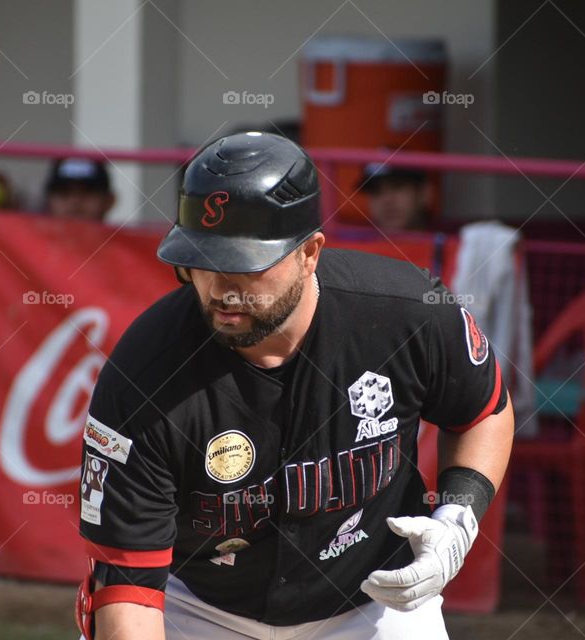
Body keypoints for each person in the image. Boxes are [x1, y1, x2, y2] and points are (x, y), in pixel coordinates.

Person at [75, 132, 514, 639]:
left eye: (245, 264)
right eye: (201, 259)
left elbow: (483, 410)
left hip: (372, 599)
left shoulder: (408, 314)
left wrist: (458, 517)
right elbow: (128, 589)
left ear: (310, 252)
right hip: (198, 607)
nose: (220, 289)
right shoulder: (144, 374)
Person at [359, 160, 431, 232]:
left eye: (397, 186)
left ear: (423, 193)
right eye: (376, 191)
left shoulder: (441, 237)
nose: (387, 200)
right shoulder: (355, 239)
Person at [44, 158, 115, 220]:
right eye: (64, 192)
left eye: (87, 192)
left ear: (108, 201)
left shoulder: (122, 235)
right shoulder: (34, 235)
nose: (75, 201)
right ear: (48, 200)